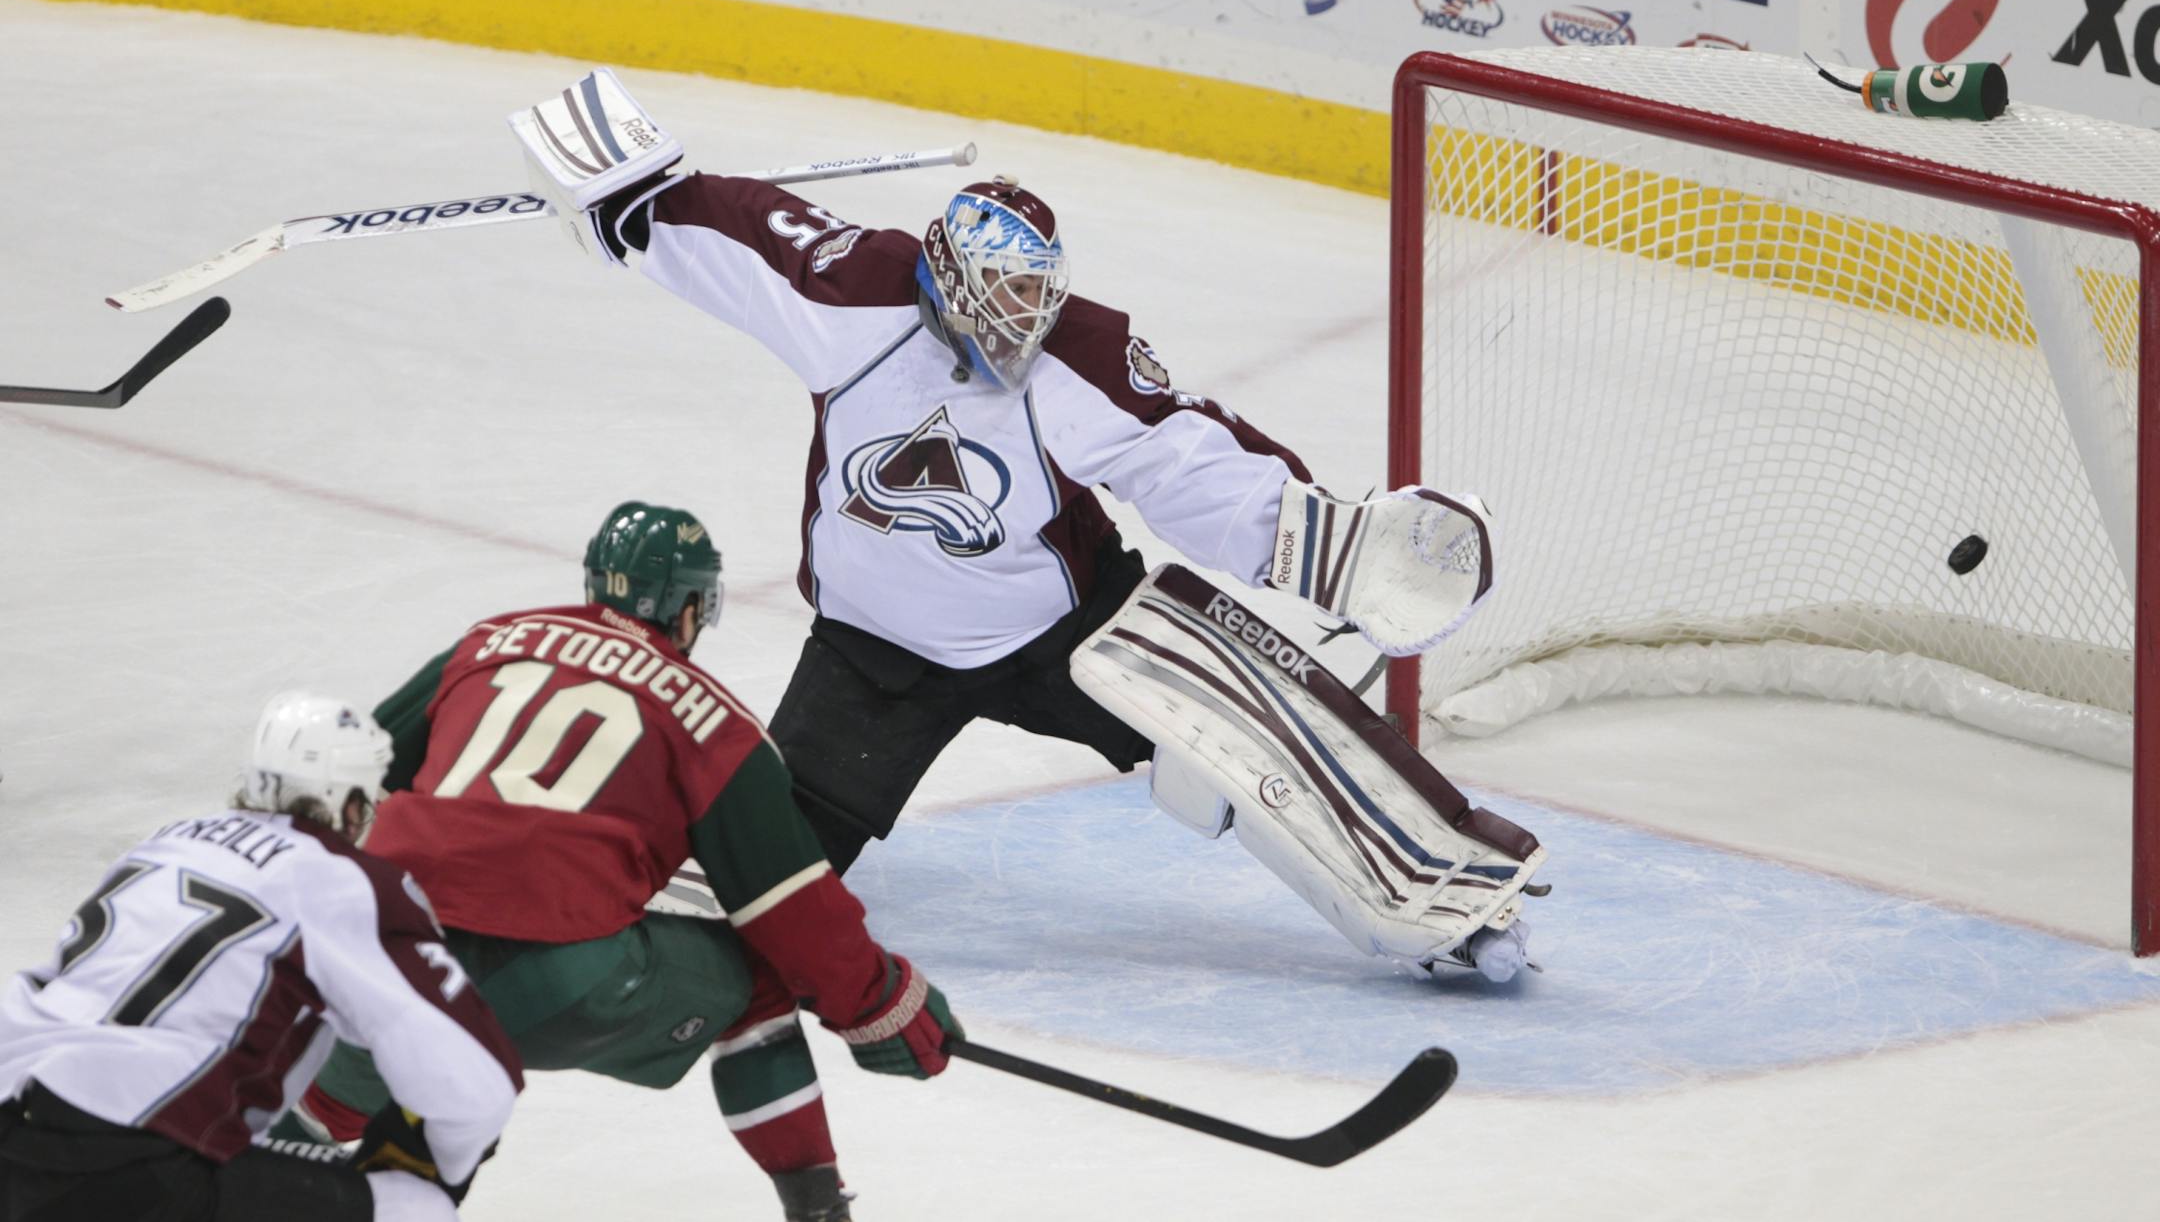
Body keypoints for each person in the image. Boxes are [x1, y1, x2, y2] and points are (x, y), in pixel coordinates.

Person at [508, 69, 1542, 980]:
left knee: (1243, 732)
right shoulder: (850, 293)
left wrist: (1334, 547)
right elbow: (739, 230)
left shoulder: (1079, 356)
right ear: (943, 283)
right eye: (996, 306)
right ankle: (582, 872)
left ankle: (1437, 883)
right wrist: (632, 200)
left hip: (1067, 631)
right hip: (873, 653)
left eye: (1033, 304)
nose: (1017, 330)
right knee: (768, 872)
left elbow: (1182, 457)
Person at [291, 501, 961, 1222]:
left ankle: (299, 1139)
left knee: (325, 1097)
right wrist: (878, 1001)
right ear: (689, 611)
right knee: (756, 974)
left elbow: (356, 776)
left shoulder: (488, 645)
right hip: (559, 983)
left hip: (389, 953)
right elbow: (790, 912)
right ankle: (818, 1210)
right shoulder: (717, 724)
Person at [0, 692, 522, 1222]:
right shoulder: (347, 880)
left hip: (12, 1108)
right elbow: (475, 1083)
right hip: (127, 1155)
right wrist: (437, 1169)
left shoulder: (164, 841)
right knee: (417, 1208)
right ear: (349, 802)